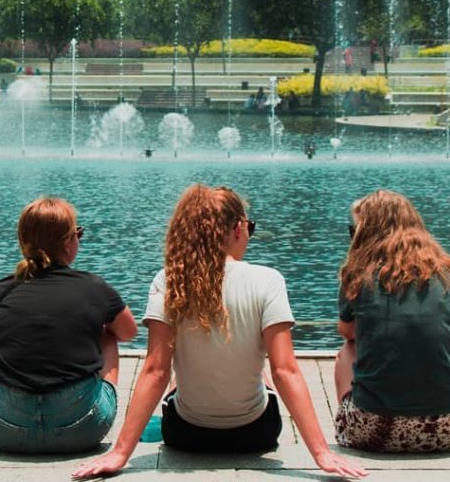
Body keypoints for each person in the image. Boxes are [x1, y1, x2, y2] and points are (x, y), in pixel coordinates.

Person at [73, 184, 367, 480]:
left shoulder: (169, 280)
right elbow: (285, 370)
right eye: (249, 226)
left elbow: (154, 371)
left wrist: (120, 453)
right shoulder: (268, 280)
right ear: (238, 229)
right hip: (256, 434)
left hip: (186, 434)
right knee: (262, 370)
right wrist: (321, 454)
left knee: (177, 372)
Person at [0, 197, 137, 454]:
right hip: (82, 428)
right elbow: (128, 332)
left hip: (4, 429)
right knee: (108, 336)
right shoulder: (93, 287)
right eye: (78, 233)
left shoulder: (1, 290)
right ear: (68, 243)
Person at [334, 190, 450, 454]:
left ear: (365, 235)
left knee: (347, 351)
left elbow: (348, 331)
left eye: (354, 231)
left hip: (376, 430)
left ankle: (349, 424)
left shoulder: (358, 276)